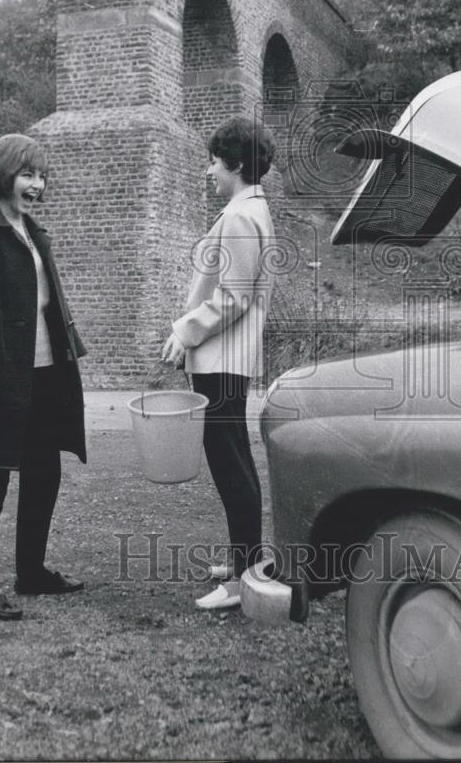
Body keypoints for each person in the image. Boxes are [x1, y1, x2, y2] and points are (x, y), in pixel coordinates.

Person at [0, 134, 87, 620]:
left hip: (46, 374)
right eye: (28, 174)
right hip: (0, 373)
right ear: (2, 173)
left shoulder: (34, 232)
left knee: (44, 471)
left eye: (41, 176)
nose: (37, 185)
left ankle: (31, 571)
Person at [162, 116, 276, 611]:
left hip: (222, 360)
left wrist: (182, 331)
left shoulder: (238, 216)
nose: (209, 170)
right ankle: (243, 561)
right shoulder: (249, 210)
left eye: (213, 161)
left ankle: (242, 579)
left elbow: (233, 298)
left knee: (230, 465)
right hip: (228, 358)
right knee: (235, 462)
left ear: (235, 163)